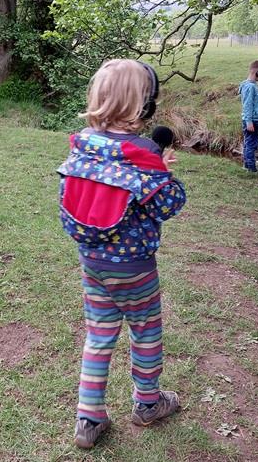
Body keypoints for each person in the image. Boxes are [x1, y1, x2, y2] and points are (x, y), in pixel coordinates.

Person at [56, 59, 187, 449]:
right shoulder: (143, 153)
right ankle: (148, 403)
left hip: (92, 263)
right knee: (145, 334)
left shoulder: (83, 142)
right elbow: (169, 205)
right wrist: (164, 173)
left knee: (98, 336)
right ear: (142, 105)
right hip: (134, 268)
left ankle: (89, 418)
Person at [240, 60, 258, 173]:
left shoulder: (253, 86)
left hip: (255, 119)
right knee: (251, 144)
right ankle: (251, 170)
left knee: (249, 143)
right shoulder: (250, 87)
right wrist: (249, 121)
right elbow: (247, 105)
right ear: (257, 72)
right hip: (252, 120)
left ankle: (247, 166)